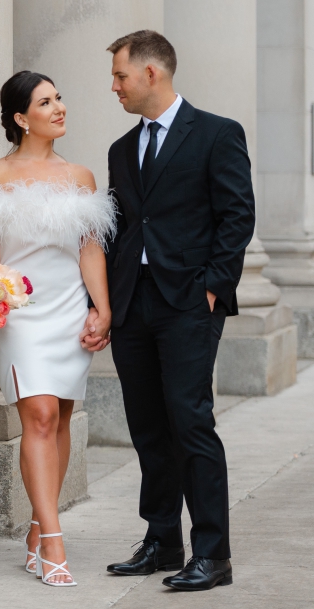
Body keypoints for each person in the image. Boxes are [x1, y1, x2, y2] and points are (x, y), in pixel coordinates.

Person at [81, 30, 253, 592]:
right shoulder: (119, 150)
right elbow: (117, 232)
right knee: (148, 426)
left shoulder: (217, 134)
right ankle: (161, 540)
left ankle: (213, 553)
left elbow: (236, 216)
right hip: (135, 304)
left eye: (120, 76)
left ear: (151, 73)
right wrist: (102, 304)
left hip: (189, 303)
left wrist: (212, 287)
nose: (115, 87)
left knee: (191, 421)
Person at [0, 71, 116, 588]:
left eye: (59, 97)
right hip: (16, 311)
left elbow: (90, 250)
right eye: (47, 101)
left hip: (67, 308)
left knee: (60, 418)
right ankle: (55, 541)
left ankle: (41, 525)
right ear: (21, 118)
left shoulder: (81, 177)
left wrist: (101, 309)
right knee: (38, 414)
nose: (60, 107)